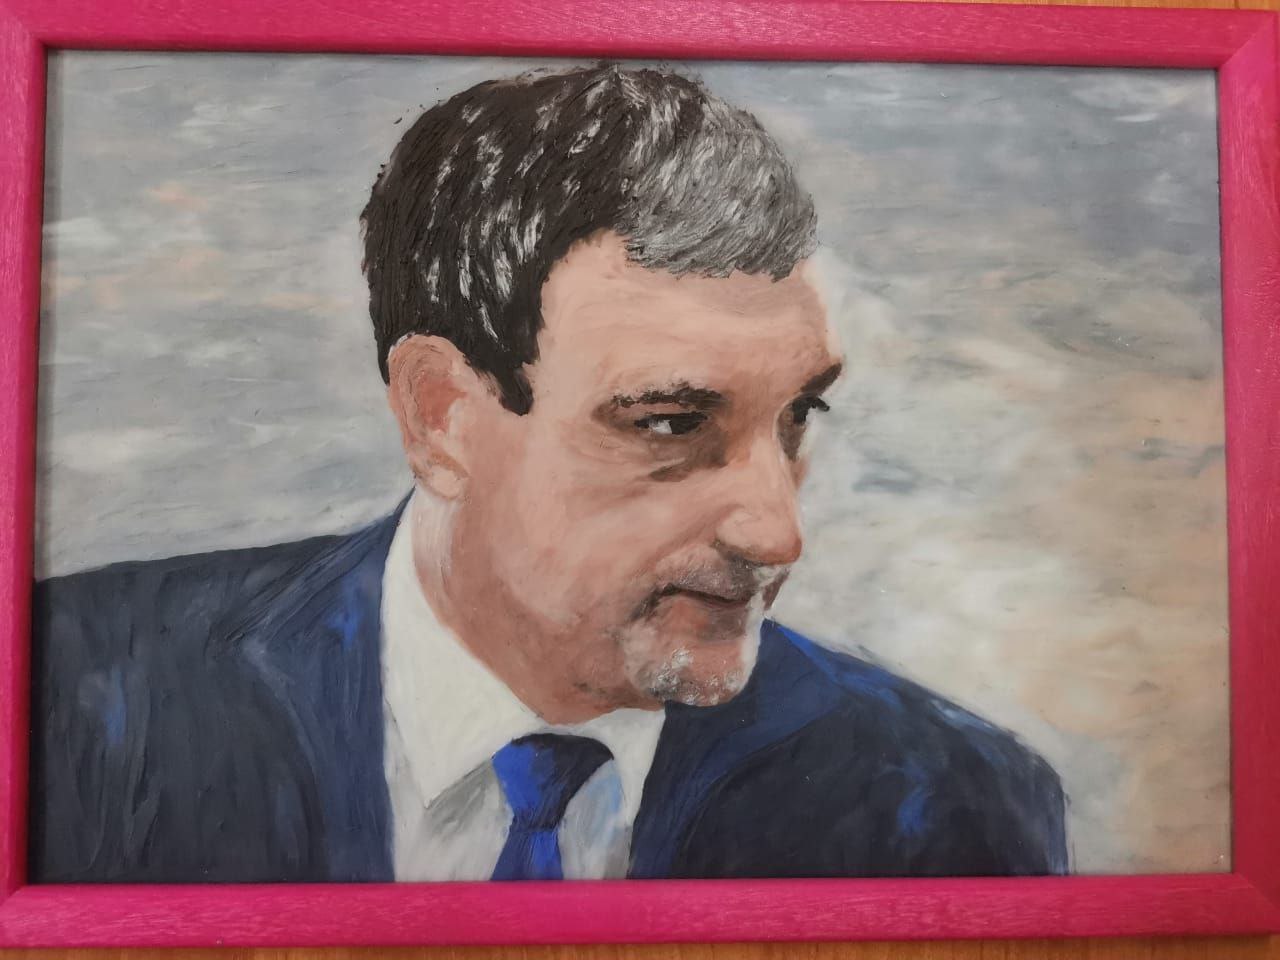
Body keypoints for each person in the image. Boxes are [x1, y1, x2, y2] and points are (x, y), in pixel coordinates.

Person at [30, 64, 1067, 883]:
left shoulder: (946, 800)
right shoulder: (72, 694)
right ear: (441, 416)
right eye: (669, 423)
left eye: (796, 416)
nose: (775, 531)